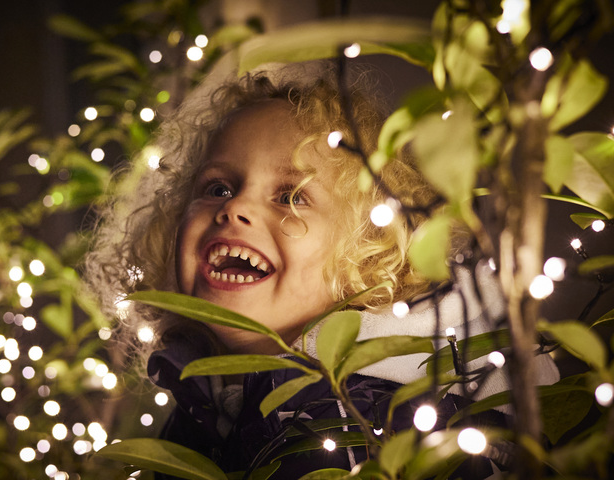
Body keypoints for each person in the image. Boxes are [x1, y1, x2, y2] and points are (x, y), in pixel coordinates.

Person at [85, 60, 559, 479]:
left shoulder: (366, 418)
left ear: (367, 253)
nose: (236, 209)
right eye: (218, 188)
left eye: (291, 197)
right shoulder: (202, 391)